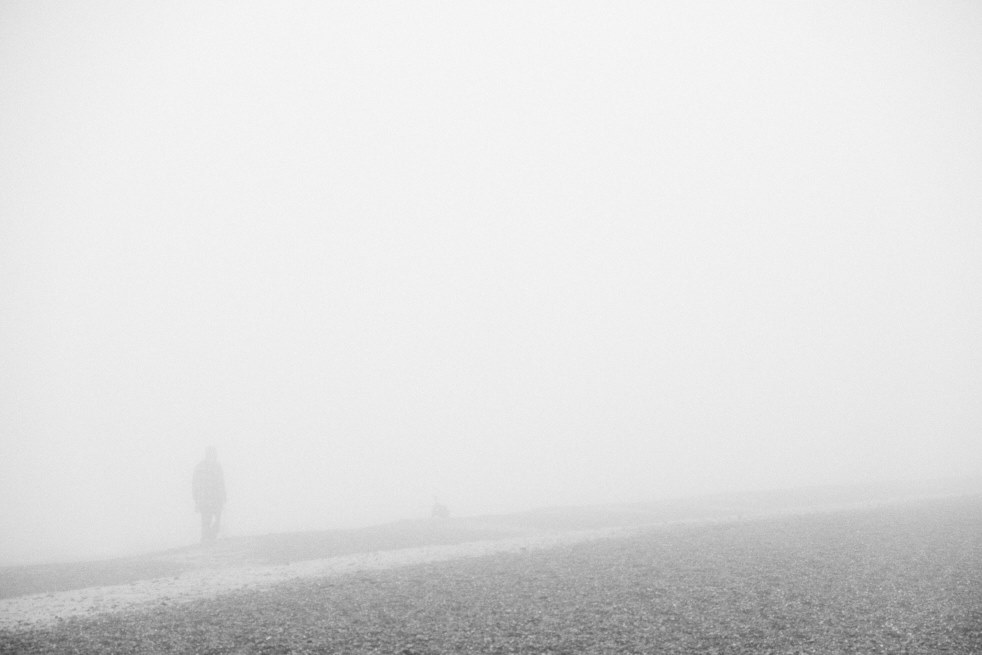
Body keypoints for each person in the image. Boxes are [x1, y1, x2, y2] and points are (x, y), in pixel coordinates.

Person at [192, 447, 226, 542]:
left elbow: (221, 482)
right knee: (206, 519)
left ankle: (209, 536)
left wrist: (224, 495)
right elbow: (195, 483)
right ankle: (206, 538)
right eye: (213, 454)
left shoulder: (216, 466)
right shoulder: (201, 467)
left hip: (215, 498)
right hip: (205, 498)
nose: (215, 456)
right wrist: (196, 497)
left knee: (216, 518)